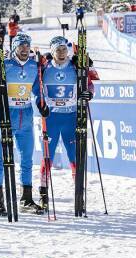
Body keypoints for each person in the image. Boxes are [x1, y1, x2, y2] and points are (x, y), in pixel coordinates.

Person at [0, 33, 46, 215]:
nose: (25, 50)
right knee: (2, 158)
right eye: (21, 47)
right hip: (7, 115)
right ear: (15, 49)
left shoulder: (33, 67)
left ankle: (26, 199)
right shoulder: (4, 65)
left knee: (27, 159)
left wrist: (41, 104)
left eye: (27, 47)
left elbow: (37, 90)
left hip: (26, 117)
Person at [38, 36, 98, 209]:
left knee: (74, 157)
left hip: (71, 117)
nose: (62, 53)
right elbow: (34, 85)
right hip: (51, 119)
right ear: (52, 51)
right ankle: (43, 194)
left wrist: (89, 94)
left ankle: (79, 194)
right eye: (58, 50)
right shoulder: (43, 67)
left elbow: (90, 83)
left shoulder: (75, 67)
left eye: (64, 49)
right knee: (47, 157)